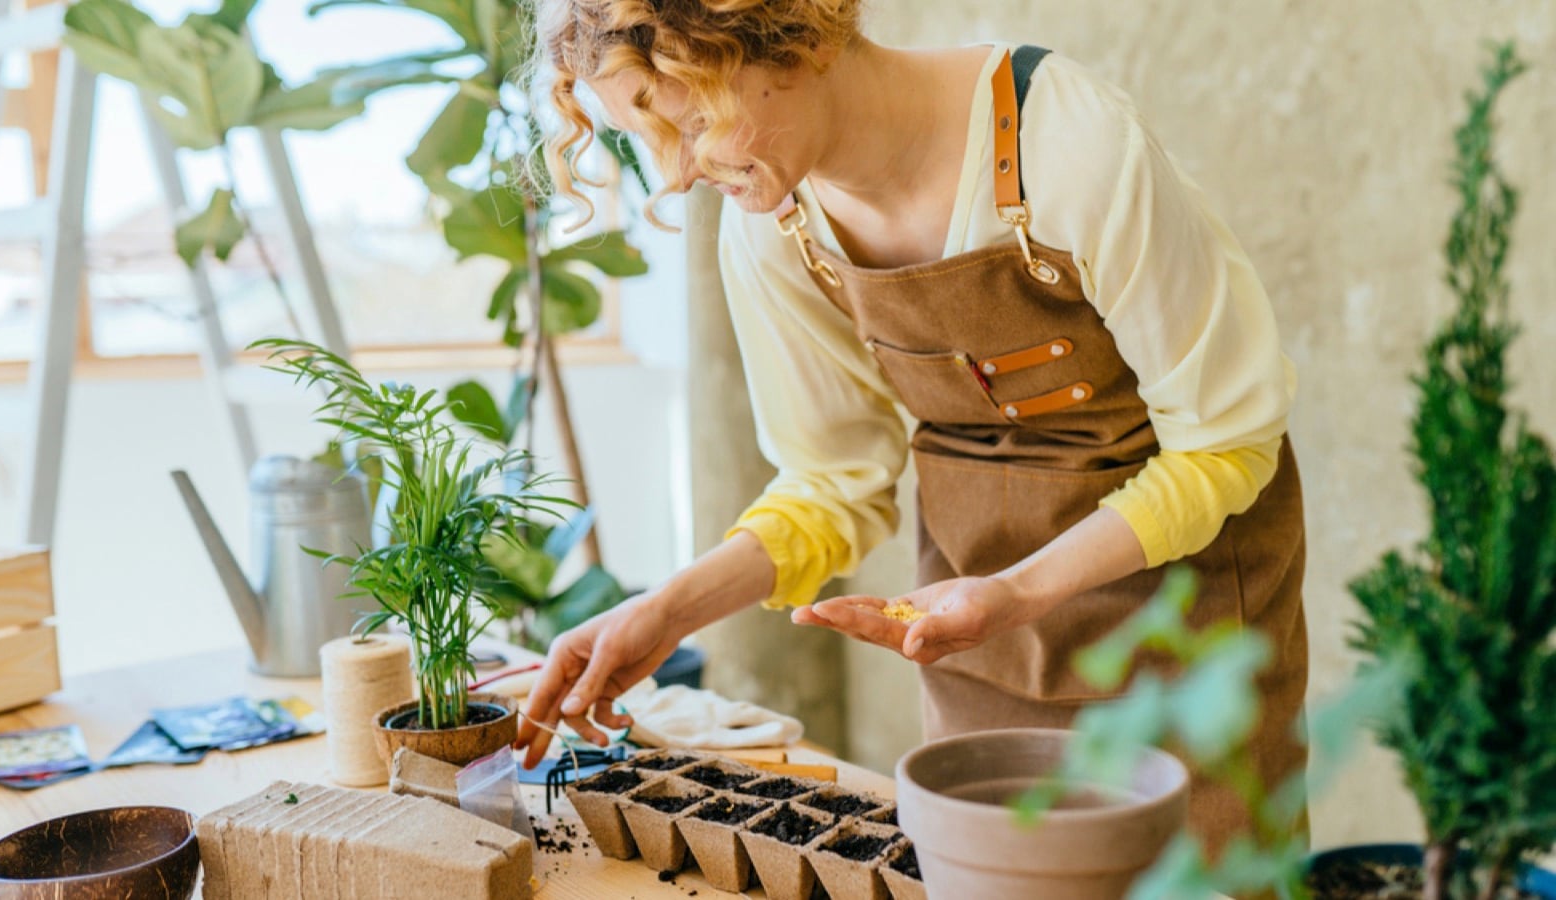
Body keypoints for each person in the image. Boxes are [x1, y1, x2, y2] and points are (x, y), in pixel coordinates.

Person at [513, 0, 1307, 852]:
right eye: (650, 139)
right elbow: (832, 483)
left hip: (1187, 631)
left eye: (697, 119)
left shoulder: (1066, 145)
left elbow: (1224, 441)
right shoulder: (776, 233)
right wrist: (667, 613)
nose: (676, 175)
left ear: (800, 36)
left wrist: (1019, 591)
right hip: (980, 641)